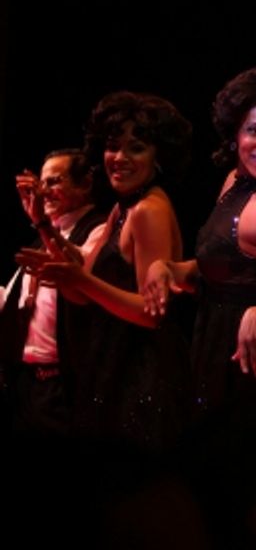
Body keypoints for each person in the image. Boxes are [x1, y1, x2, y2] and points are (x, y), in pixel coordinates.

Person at [143, 65, 256, 418]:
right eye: (254, 131)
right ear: (234, 133)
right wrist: (167, 268)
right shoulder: (234, 181)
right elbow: (219, 268)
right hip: (214, 344)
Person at [17, 91, 194, 451]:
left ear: (158, 155)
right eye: (113, 146)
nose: (120, 158)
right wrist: (44, 227)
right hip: (111, 367)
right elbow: (83, 271)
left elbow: (151, 312)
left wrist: (79, 279)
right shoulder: (122, 209)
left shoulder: (149, 210)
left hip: (141, 376)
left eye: (136, 148)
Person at [0, 149, 108, 435]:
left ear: (85, 183)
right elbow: (17, 302)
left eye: (53, 182)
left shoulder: (98, 230)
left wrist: (41, 224)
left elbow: (78, 274)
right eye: (41, 183)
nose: (42, 192)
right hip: (28, 387)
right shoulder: (42, 238)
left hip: (65, 388)